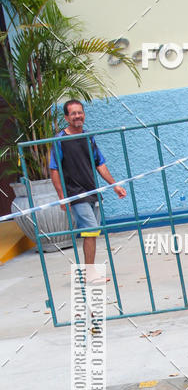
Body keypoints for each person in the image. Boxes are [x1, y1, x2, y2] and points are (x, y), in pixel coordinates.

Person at [49, 100, 126, 279]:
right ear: (67, 117)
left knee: (91, 233)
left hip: (92, 192)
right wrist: (62, 197)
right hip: (76, 194)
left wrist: (115, 186)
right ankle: (89, 274)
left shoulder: (88, 137)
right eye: (73, 113)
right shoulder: (60, 140)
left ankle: (89, 271)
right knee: (91, 230)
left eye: (80, 112)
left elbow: (100, 164)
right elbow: (54, 170)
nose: (78, 116)